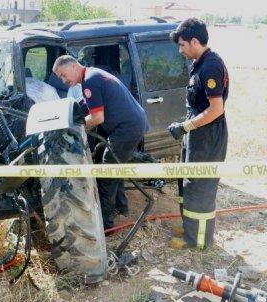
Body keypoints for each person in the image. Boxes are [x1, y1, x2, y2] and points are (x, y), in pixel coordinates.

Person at [53, 55, 149, 229]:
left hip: (127, 128)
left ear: (73, 67)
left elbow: (97, 118)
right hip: (133, 123)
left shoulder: (90, 81)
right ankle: (121, 207)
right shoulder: (91, 75)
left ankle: (106, 225)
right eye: (60, 78)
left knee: (106, 172)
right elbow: (84, 105)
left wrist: (76, 128)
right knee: (115, 166)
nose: (63, 80)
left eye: (63, 75)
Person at [168, 17, 229, 249]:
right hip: (196, 133)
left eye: (182, 45)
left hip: (208, 135)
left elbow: (216, 109)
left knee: (200, 185)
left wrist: (185, 127)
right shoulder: (200, 63)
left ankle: (198, 240)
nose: (181, 50)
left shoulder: (211, 65)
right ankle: (189, 227)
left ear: (195, 41)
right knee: (187, 182)